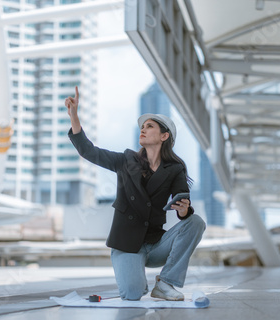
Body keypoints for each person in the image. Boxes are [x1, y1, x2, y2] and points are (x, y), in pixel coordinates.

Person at [66, 87, 206, 301]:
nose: (143, 129)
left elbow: (182, 204)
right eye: (142, 126)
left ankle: (166, 283)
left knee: (196, 222)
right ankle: (136, 280)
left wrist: (184, 210)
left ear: (164, 135)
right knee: (132, 294)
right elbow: (88, 151)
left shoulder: (175, 169)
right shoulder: (125, 160)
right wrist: (74, 116)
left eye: (149, 126)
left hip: (156, 243)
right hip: (127, 244)